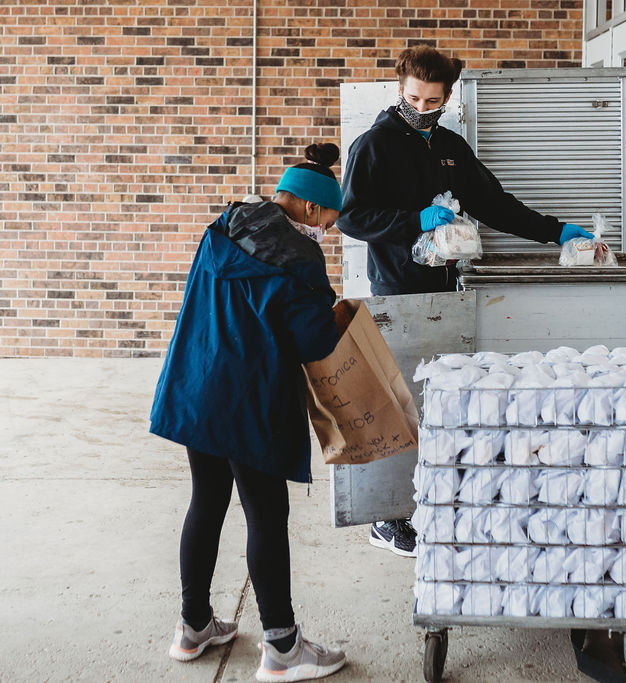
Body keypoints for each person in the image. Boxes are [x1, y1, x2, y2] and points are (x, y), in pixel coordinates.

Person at [336, 45, 595, 556]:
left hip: (447, 290)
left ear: (447, 97)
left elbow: (494, 204)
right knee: (400, 403)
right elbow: (351, 218)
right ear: (399, 89)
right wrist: (413, 220)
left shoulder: (450, 146)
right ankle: (386, 517)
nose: (421, 107)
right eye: (413, 97)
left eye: (433, 100)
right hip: (398, 290)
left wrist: (556, 231)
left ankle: (432, 498)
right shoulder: (375, 145)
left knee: (443, 402)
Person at [151, 143, 348, 682]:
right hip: (250, 400)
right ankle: (282, 647)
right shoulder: (303, 258)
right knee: (265, 513)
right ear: (311, 209)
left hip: (198, 384)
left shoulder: (227, 222)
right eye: (329, 219)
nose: (328, 230)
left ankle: (193, 628)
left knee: (207, 500)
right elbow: (313, 343)